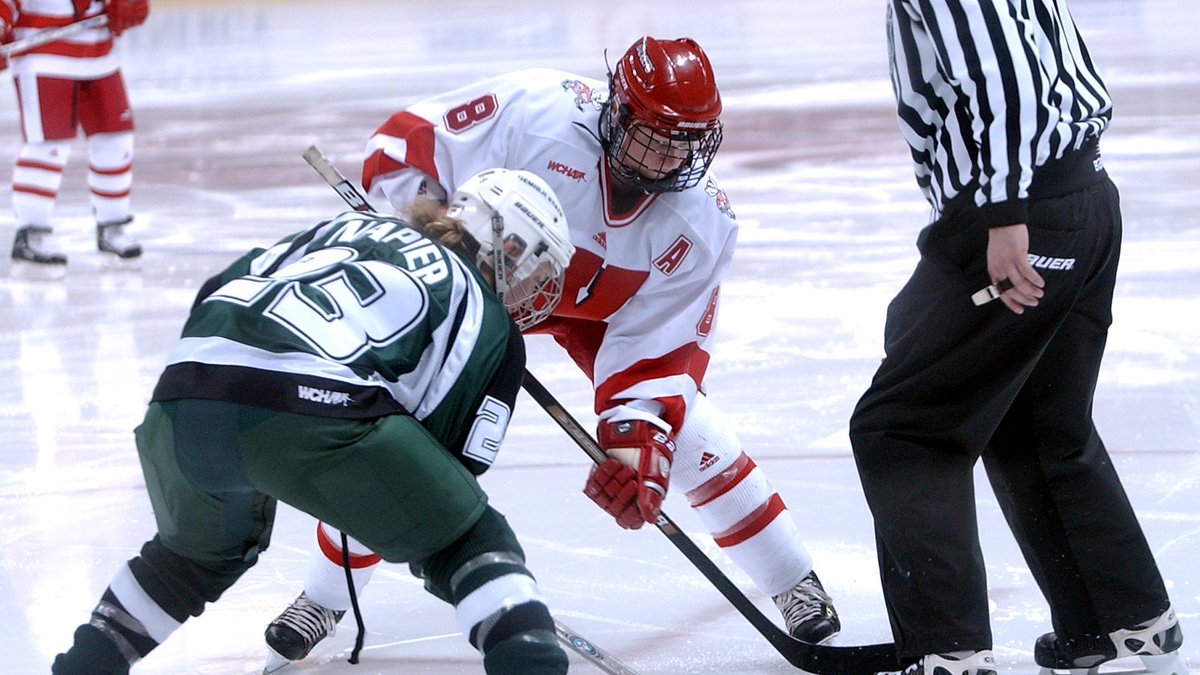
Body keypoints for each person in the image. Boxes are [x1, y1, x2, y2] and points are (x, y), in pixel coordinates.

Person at [262, 35, 843, 666]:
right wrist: (421, 237)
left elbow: (655, 355)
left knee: (693, 436)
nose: (667, 160)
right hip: (484, 281)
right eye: (653, 137)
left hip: (602, 313)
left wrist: (638, 444)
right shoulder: (534, 112)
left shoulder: (702, 223)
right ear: (617, 111)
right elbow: (411, 145)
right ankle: (325, 597)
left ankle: (792, 580)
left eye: (684, 143)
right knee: (409, 433)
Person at [51, 168, 577, 675]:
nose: (533, 290)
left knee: (187, 562)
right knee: (468, 540)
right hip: (316, 409)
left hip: (183, 394)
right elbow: (451, 470)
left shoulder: (342, 227)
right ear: (509, 246)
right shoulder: (486, 315)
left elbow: (218, 286)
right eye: (535, 271)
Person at [851, 2, 1186, 674]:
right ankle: (1124, 621)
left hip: (1019, 217)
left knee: (905, 428)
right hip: (1083, 200)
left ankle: (950, 653)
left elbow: (1003, 76)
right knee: (1039, 422)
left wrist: (1005, 214)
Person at [1, 0, 149, 278]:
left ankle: (112, 226)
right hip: (42, 55)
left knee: (116, 140)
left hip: (98, 52)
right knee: (48, 146)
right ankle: (31, 233)